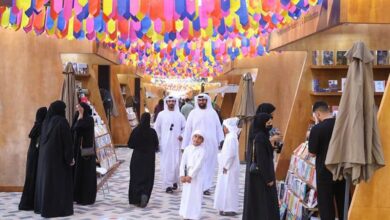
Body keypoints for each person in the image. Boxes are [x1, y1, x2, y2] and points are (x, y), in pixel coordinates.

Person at [34, 100, 74, 218]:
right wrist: (70, 158)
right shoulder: (62, 122)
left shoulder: (46, 122)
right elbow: (67, 143)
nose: (65, 111)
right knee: (59, 185)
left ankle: (44, 208)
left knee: (47, 185)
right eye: (64, 109)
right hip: (58, 161)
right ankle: (58, 210)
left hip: (45, 161)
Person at [308, 101, 346, 220]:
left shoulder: (317, 129)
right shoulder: (342, 125)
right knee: (343, 203)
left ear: (318, 114)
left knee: (326, 206)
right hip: (341, 170)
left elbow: (312, 153)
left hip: (324, 172)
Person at [182, 93, 224, 195]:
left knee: (209, 165)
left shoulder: (213, 113)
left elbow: (218, 127)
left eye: (204, 100)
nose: (202, 102)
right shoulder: (193, 113)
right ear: (197, 101)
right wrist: (184, 145)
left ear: (207, 101)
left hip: (210, 144)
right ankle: (197, 185)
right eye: (200, 100)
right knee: (196, 164)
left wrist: (221, 140)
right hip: (195, 144)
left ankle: (206, 186)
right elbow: (188, 129)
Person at [242, 113, 280, 220]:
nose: (270, 125)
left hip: (262, 177)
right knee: (263, 204)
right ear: (261, 123)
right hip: (262, 179)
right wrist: (268, 179)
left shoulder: (262, 136)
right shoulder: (260, 137)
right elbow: (262, 160)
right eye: (268, 123)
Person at [154, 96, 186, 193]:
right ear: (166, 102)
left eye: (173, 101)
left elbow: (185, 128)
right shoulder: (161, 115)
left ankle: (175, 182)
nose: (171, 103)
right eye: (169, 101)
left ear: (175, 102)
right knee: (166, 164)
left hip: (177, 144)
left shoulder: (180, 115)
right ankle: (167, 185)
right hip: (165, 144)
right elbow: (157, 128)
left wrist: (182, 135)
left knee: (177, 163)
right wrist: (158, 141)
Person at [18, 107, 47, 211]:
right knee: (33, 177)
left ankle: (30, 203)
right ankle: (29, 203)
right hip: (36, 156)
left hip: (33, 155)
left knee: (32, 177)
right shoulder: (41, 126)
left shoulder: (38, 124)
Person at [128, 112, 159, 208]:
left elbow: (130, 144)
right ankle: (144, 194)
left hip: (137, 158)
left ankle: (135, 198)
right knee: (147, 178)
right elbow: (156, 145)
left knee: (135, 177)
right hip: (149, 159)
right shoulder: (152, 132)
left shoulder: (136, 131)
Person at [213, 117, 240, 216]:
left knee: (229, 188)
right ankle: (224, 207)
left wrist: (226, 166)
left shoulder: (232, 137)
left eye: (224, 127)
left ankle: (229, 208)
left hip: (229, 168)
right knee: (225, 186)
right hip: (227, 167)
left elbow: (231, 154)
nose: (223, 129)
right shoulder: (230, 136)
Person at [72, 102, 97, 205]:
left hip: (86, 151)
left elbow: (78, 127)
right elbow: (73, 128)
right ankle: (77, 195)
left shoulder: (89, 119)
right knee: (78, 172)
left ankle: (86, 197)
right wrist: (78, 116)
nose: (78, 109)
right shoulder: (77, 117)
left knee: (86, 173)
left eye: (80, 108)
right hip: (78, 150)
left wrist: (81, 116)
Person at [179, 130, 206, 220]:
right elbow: (183, 162)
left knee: (195, 195)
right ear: (192, 137)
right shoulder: (187, 148)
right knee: (187, 194)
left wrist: (190, 176)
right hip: (187, 176)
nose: (197, 139)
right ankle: (185, 213)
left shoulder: (202, 151)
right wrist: (182, 175)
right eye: (195, 136)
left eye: (199, 138)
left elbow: (198, 165)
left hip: (196, 176)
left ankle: (194, 215)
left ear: (202, 141)